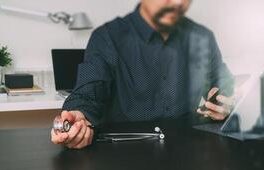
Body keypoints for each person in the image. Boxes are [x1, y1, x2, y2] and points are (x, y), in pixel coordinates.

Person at [51, 0, 235, 149]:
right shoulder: (107, 37)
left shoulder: (203, 37)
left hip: (190, 154)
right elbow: (87, 93)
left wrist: (224, 102)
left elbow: (222, 82)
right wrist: (78, 117)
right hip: (127, 157)